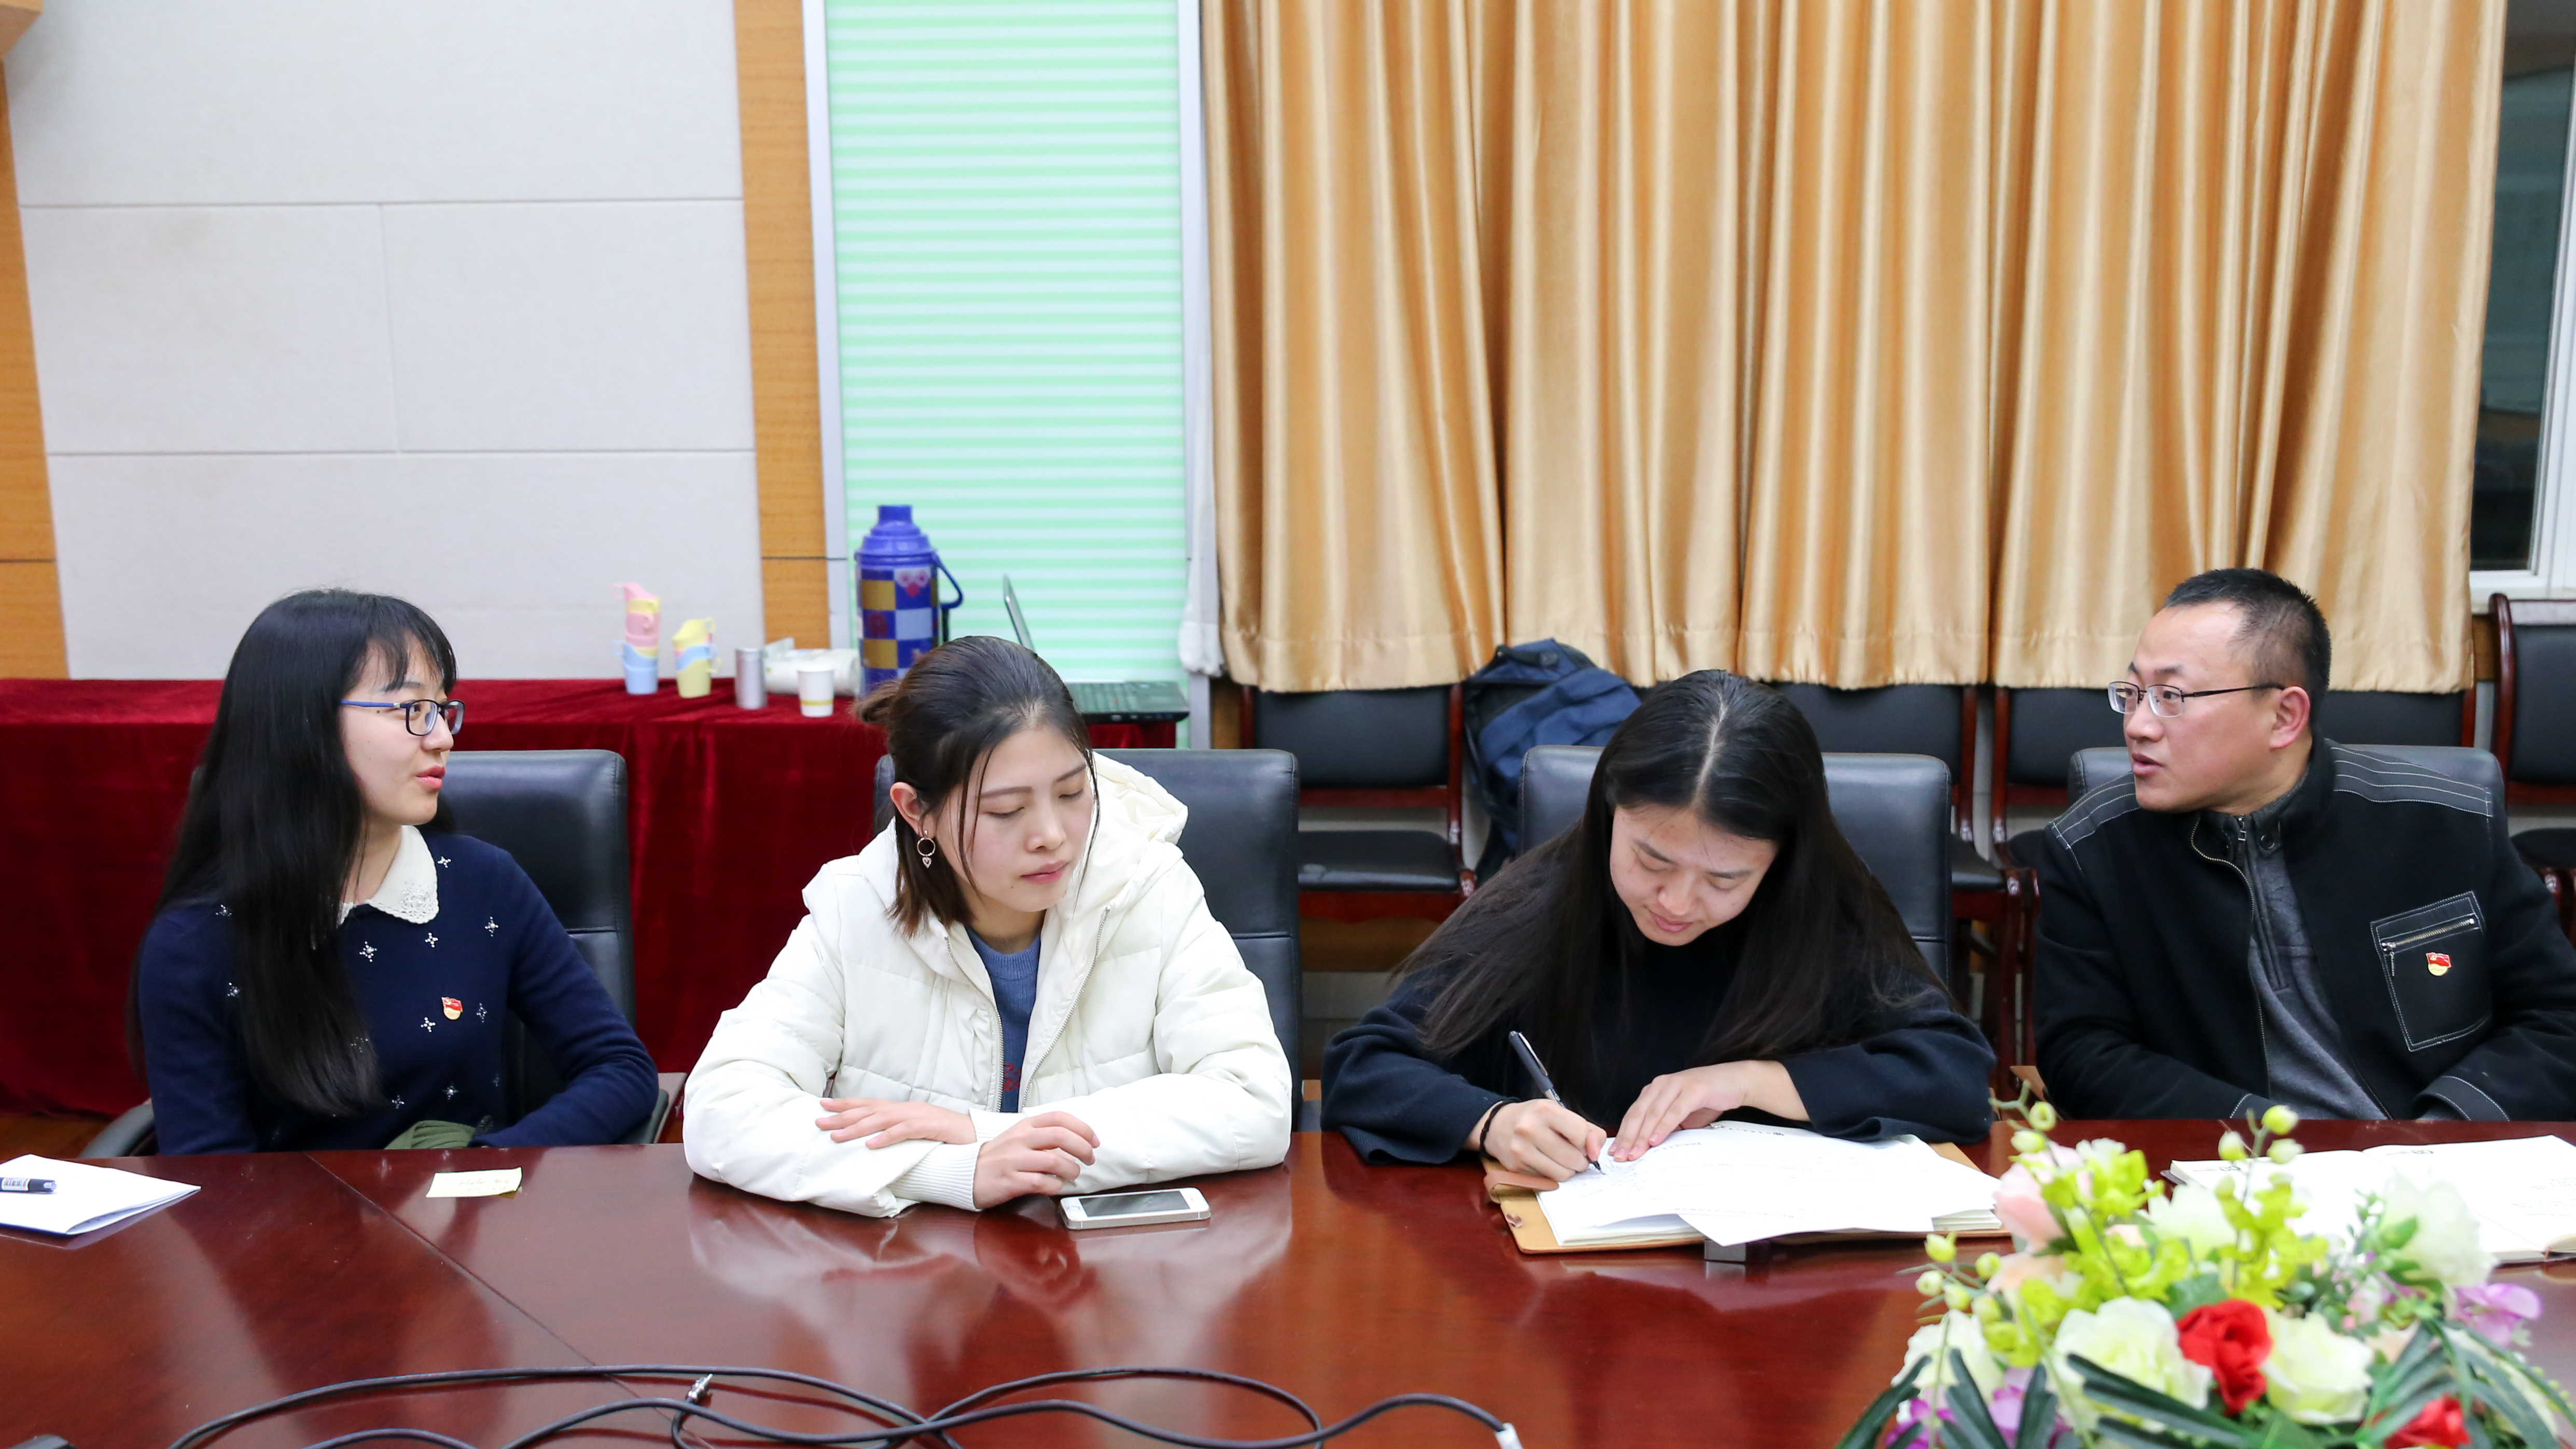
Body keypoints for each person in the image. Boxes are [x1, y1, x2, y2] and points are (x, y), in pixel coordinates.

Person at [683, 635, 1290, 1217]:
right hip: (913, 1271)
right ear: (915, 810)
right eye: (1006, 810)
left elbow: (1254, 1102)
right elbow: (722, 1110)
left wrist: (981, 1132)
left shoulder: (1147, 885)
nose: (1051, 834)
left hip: (1104, 1272)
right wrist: (949, 1168)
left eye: (1072, 793)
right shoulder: (856, 907)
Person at [1322, 670, 1995, 1179]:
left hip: (1782, 1267)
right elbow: (1363, 1065)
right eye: (1651, 859)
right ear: (1609, 813)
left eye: (1723, 879)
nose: (1676, 901)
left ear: (1779, 862)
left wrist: (1750, 1080)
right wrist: (1491, 1121)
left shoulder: (1819, 908)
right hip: (1574, 1259)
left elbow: (1956, 1077)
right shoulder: (1545, 899)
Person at [2031, 567, 2576, 1120]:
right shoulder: (2092, 849)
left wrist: (2442, 1129)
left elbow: (2558, 1017)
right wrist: (2264, 1138)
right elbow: (2083, 1053)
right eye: (2132, 693)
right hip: (2237, 1157)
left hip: (2434, 1153)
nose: (2138, 725)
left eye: (2170, 696)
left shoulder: (2446, 823)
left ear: (2283, 716)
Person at [131, 590, 658, 1153]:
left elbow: (620, 1068)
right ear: (302, 725)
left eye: (441, 709)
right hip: (296, 1214)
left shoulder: (482, 881)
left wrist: (483, 1169)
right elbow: (212, 1177)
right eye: (411, 710)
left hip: (476, 1202)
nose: (443, 738)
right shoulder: (197, 940)